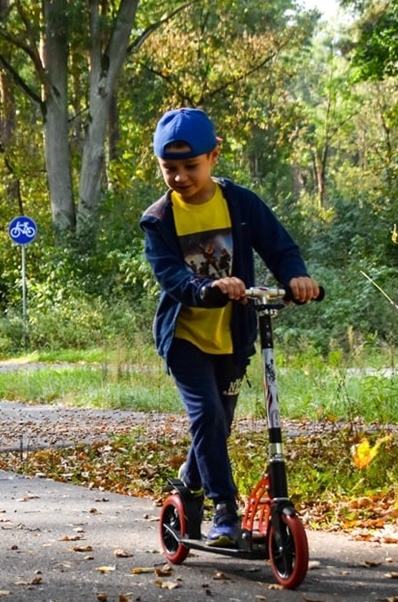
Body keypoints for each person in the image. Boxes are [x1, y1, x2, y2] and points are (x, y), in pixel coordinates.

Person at [140, 108, 320, 548]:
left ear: (214, 155)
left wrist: (296, 277)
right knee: (206, 415)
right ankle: (224, 509)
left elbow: (280, 246)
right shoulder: (159, 219)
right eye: (170, 169)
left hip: (233, 335)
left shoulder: (239, 203)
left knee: (219, 426)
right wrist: (206, 287)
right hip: (184, 335)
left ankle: (188, 482)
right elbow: (171, 276)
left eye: (190, 166)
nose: (180, 177)